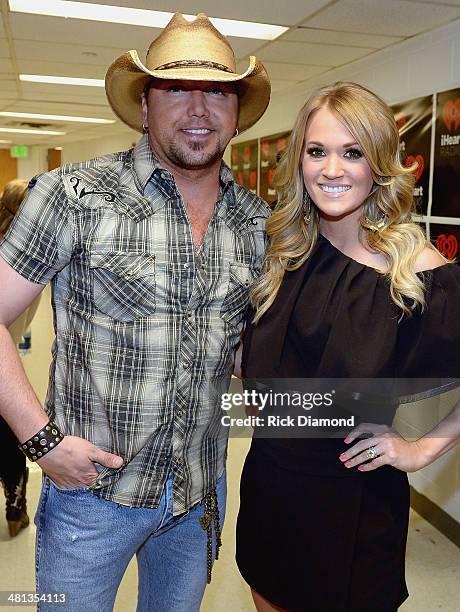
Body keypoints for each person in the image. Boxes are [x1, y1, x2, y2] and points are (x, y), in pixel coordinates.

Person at [0, 13, 271, 611]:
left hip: (198, 494)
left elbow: (252, 356)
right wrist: (40, 442)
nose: (198, 108)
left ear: (236, 110)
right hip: (90, 497)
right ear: (145, 104)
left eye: (217, 91)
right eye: (176, 88)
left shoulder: (257, 223)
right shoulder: (73, 196)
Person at [236, 82, 460, 612]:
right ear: (299, 160)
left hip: (351, 506)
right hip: (270, 486)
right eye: (317, 151)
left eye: (352, 152)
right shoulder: (286, 251)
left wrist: (422, 447)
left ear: (380, 163)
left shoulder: (412, 268)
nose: (331, 169)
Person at [0, 179, 41, 537]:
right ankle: (15, 509)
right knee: (10, 438)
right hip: (5, 362)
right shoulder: (29, 257)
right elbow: (22, 321)